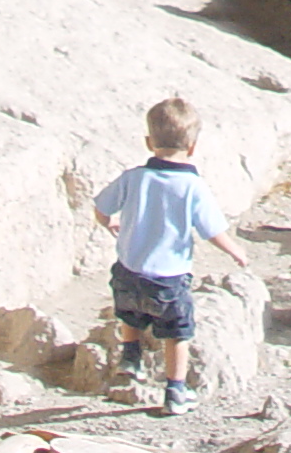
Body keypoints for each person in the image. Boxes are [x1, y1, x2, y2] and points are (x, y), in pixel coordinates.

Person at [94, 96, 247, 415]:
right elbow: (212, 230)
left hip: (127, 271)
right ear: (192, 147)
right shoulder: (193, 186)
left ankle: (131, 356)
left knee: (129, 313)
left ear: (149, 142)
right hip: (168, 279)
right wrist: (236, 251)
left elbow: (101, 207)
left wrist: (109, 222)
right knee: (177, 332)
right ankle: (175, 391)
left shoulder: (133, 178)